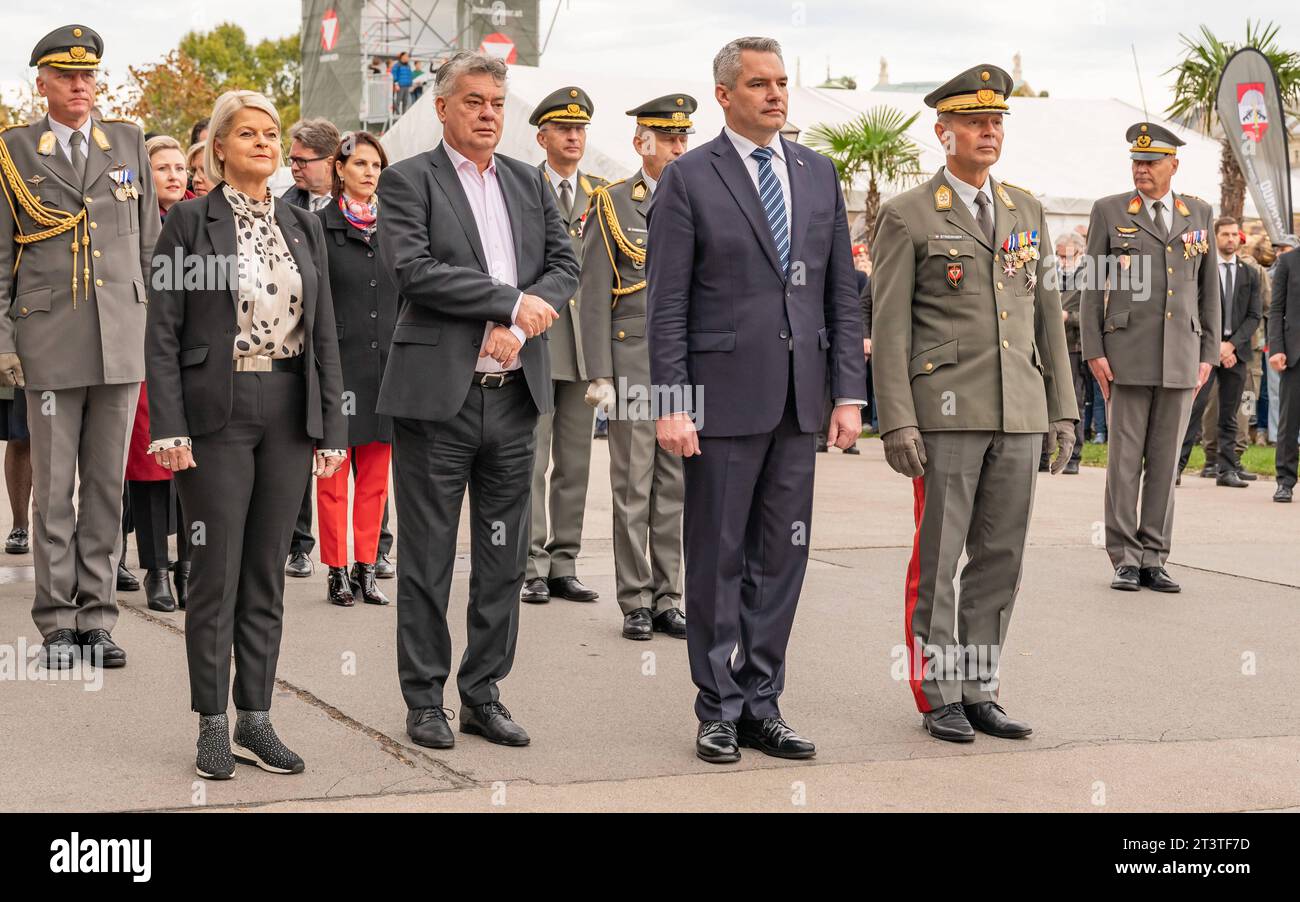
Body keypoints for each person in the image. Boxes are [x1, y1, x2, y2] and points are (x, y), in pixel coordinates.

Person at [648, 37, 866, 764]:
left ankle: (761, 703)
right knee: (717, 555)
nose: (775, 95)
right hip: (719, 401)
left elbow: (840, 291)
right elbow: (667, 304)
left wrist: (847, 395)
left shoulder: (817, 171)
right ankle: (717, 707)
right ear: (724, 94)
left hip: (800, 401)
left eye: (781, 83)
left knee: (782, 559)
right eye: (759, 84)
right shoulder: (688, 178)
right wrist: (672, 402)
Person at [376, 52, 578, 751]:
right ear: (442, 107)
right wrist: (504, 303)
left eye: (497, 101)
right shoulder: (407, 182)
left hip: (515, 398)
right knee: (428, 557)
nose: (488, 113)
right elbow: (414, 270)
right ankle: (424, 700)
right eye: (473, 101)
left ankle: (483, 694)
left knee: (504, 558)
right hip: (440, 400)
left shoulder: (528, 182)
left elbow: (565, 264)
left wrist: (523, 318)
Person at [871, 64, 1077, 744]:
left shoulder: (1025, 209)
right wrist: (896, 417)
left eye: (996, 122)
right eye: (974, 121)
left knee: (1000, 558)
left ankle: (980, 685)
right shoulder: (906, 213)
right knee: (939, 556)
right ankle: (937, 692)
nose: (989, 131)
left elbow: (1047, 312)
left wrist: (1064, 409)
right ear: (943, 131)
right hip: (946, 412)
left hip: (1018, 408)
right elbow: (891, 326)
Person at [145, 90, 347, 780]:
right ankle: (209, 723)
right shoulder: (190, 225)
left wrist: (331, 426)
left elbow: (323, 332)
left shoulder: (301, 222)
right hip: (217, 412)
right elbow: (163, 332)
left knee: (267, 571)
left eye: (272, 133)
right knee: (215, 571)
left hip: (289, 409)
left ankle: (255, 718)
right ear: (219, 148)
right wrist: (168, 424)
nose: (265, 143)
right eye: (249, 133)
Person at [0, 25, 160, 670]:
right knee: (53, 488)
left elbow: (149, 249)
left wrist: (157, 330)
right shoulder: (14, 150)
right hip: (48, 343)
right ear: (41, 82)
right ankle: (55, 620)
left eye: (88, 75)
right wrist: (6, 343)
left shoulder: (126, 142)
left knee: (104, 488)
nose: (79, 86)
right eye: (65, 76)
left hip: (121, 339)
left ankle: (98, 617)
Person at [1081, 122, 1219, 593]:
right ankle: (1124, 556)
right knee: (1123, 461)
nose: (1141, 169)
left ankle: (1154, 556)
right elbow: (1092, 285)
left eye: (1151, 162)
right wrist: (1094, 349)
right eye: (1136, 162)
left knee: (1165, 461)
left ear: (1172, 166)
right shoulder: (1110, 210)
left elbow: (1208, 291)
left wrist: (1208, 352)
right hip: (1126, 355)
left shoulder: (1198, 212)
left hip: (1182, 356)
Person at [580, 94, 694, 641]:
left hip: (684, 366)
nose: (677, 147)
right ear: (640, 143)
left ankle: (670, 595)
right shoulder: (614, 203)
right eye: (667, 138)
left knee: (674, 486)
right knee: (633, 484)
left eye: (682, 137)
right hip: (630, 361)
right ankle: (635, 600)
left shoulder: (701, 197)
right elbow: (594, 291)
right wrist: (599, 375)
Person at [520, 87, 609, 605]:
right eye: (564, 129)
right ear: (543, 136)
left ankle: (563, 563)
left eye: (580, 130)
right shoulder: (522, 186)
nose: (574, 137)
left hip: (585, 349)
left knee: (575, 463)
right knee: (533, 461)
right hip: (536, 342)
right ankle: (529, 564)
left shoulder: (603, 195)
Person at [315, 131, 396, 607]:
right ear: (340, 169)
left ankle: (367, 567)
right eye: (361, 164)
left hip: (385, 368)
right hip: (338, 368)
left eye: (376, 165)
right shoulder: (317, 226)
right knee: (333, 477)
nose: (369, 172)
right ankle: (336, 569)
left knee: (375, 481)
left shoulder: (396, 226)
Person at [125, 135, 195, 612]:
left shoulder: (204, 218)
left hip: (197, 355)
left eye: (179, 167)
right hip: (146, 351)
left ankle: (190, 568)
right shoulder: (130, 222)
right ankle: (157, 570)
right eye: (162, 168)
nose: (174, 175)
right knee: (152, 467)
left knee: (197, 468)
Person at [281, 118, 341, 580]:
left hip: (350, 340)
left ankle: (374, 545)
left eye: (303, 160)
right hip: (301, 340)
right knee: (299, 444)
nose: (294, 167)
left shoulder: (361, 205)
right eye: (293, 159)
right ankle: (299, 542)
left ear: (331, 160)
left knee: (354, 445)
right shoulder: (283, 206)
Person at [1176, 216, 1262, 487]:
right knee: (1195, 409)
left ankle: (1226, 470)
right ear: (1215, 238)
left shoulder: (1250, 273)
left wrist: (1231, 345)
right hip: (1206, 351)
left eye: (1234, 235)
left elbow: (1254, 315)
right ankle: (1175, 467)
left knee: (1230, 413)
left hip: (1236, 353)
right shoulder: (1204, 270)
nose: (1230, 239)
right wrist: (1216, 347)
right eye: (1225, 234)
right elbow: (1196, 309)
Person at [1040, 232, 1087, 474]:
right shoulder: (1053, 273)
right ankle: (1043, 453)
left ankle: (1074, 456)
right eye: (1059, 256)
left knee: (1073, 401)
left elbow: (1096, 313)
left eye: (1068, 256)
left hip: (1074, 346)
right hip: (1048, 345)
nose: (1063, 260)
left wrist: (1070, 318)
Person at [1269, 233, 1300, 502]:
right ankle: (1285, 481)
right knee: (1289, 421)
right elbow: (1276, 310)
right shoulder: (1288, 262)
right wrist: (1277, 347)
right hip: (1294, 355)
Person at [391, 52, 414, 116]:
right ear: (402, 57)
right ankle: (396, 114)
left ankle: (404, 115)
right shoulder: (397, 65)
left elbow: (410, 75)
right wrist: (396, 84)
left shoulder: (408, 66)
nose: (407, 57)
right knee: (398, 101)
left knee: (405, 102)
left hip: (407, 86)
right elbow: (394, 74)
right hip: (400, 86)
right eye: (406, 56)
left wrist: (411, 84)